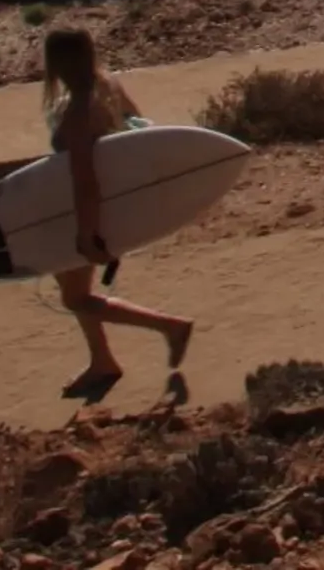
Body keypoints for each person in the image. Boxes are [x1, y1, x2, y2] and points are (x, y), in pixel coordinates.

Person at [40, 27, 193, 400]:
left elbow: (85, 181)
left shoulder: (77, 113)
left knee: (76, 298)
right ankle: (102, 361)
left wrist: (88, 232)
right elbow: (139, 132)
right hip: (115, 203)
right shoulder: (107, 85)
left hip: (91, 212)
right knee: (70, 285)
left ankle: (169, 327)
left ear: (56, 64)